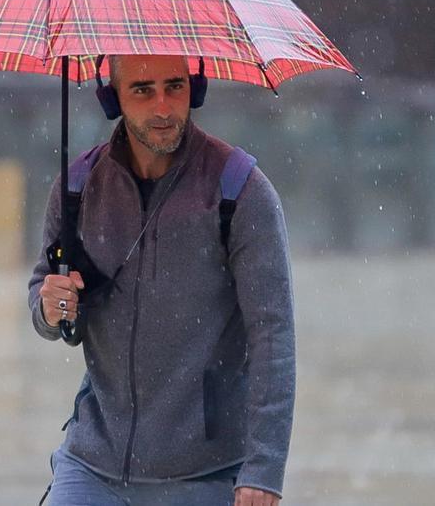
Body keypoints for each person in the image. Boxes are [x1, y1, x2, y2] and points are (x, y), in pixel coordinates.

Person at [28, 54, 295, 506]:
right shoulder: (76, 187)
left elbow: (273, 335)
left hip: (206, 472)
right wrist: (50, 308)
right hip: (92, 463)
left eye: (175, 86)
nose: (163, 107)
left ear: (197, 88)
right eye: (142, 90)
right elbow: (44, 294)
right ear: (111, 96)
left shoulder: (241, 190)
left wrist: (264, 468)